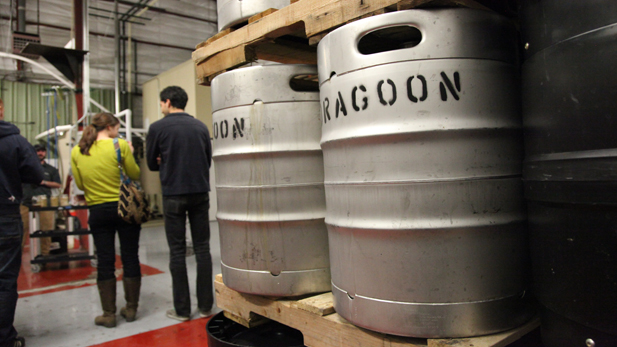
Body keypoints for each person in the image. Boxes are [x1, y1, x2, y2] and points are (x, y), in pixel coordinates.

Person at [146, 86, 213, 321]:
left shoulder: (157, 128)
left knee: (177, 252)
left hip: (173, 193)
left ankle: (182, 310)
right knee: (203, 249)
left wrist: (163, 161)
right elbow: (207, 160)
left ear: (167, 102)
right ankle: (206, 306)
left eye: (161, 103)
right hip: (200, 192)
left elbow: (151, 163)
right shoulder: (201, 126)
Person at [70, 113, 142, 328]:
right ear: (110, 127)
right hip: (124, 208)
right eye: (117, 128)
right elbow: (135, 173)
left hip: (98, 211)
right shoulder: (119, 145)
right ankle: (131, 309)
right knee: (130, 257)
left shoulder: (77, 151)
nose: (117, 132)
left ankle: (108, 314)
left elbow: (81, 185)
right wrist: (129, 152)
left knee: (105, 260)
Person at [0, 98, 44, 347]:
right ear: (1, 109)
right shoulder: (15, 141)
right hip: (5, 214)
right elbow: (36, 175)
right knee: (4, 281)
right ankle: (5, 340)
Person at [20, 144, 62, 257]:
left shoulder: (51, 170)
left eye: (42, 151)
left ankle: (45, 253)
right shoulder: (25, 168)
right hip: (25, 202)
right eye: (38, 151)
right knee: (21, 229)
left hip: (45, 203)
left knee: (46, 229)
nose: (40, 153)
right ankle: (16, 255)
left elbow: (58, 184)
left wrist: (44, 182)